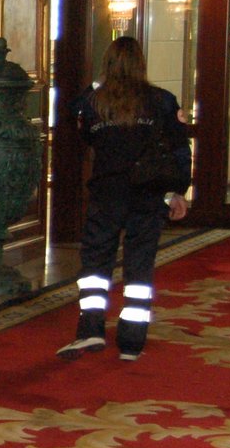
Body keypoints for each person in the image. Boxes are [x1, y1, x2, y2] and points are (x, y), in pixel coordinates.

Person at [59, 35, 190, 362]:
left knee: (95, 263)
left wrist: (94, 85)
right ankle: (131, 342)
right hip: (148, 192)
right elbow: (178, 150)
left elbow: (76, 120)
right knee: (139, 267)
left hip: (107, 193)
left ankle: (91, 329)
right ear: (140, 64)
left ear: (109, 65)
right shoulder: (161, 101)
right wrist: (178, 192)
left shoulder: (96, 103)